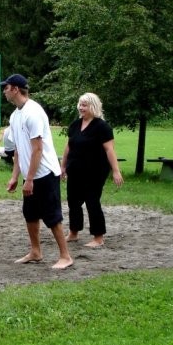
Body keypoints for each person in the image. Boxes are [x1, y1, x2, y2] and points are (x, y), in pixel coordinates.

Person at [1, 74, 73, 270]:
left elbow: (38, 149)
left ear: (15, 89)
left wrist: (30, 179)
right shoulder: (16, 115)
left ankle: (65, 256)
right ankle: (35, 252)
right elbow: (18, 149)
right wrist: (16, 176)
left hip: (45, 173)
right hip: (30, 176)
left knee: (52, 215)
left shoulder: (33, 112)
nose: (4, 91)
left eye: (6, 87)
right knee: (30, 214)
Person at [60, 92, 124, 247]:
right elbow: (69, 146)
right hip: (75, 169)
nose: (81, 108)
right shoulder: (75, 125)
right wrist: (63, 166)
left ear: (93, 106)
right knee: (73, 202)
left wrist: (116, 171)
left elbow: (110, 150)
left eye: (85, 105)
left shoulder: (102, 127)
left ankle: (98, 237)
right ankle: (74, 232)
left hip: (94, 171)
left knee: (92, 201)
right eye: (80, 104)